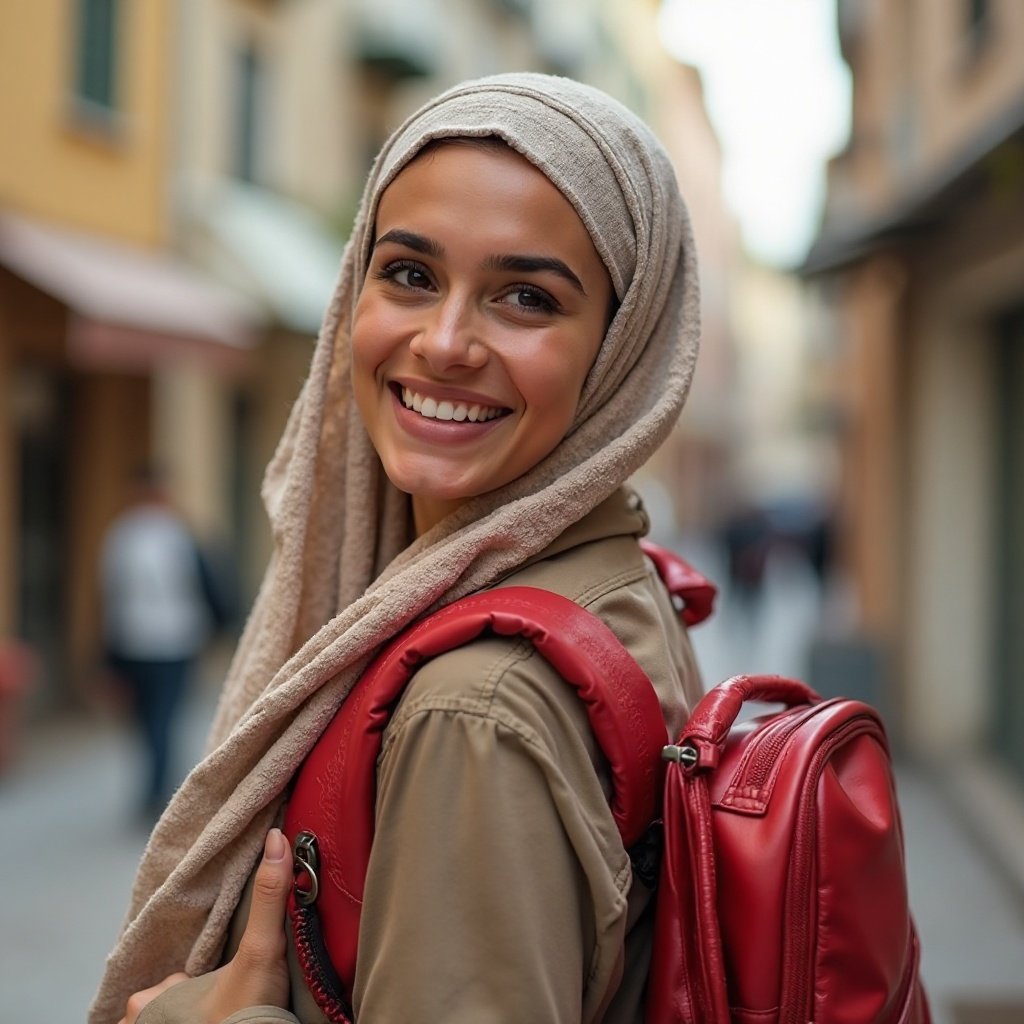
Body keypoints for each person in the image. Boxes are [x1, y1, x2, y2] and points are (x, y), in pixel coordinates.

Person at [92, 72, 704, 1024]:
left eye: (528, 297)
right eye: (411, 275)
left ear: (620, 348)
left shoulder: (474, 708)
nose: (446, 342)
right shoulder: (611, 576)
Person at [99, 467, 218, 820]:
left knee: (152, 718)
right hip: (167, 642)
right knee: (160, 717)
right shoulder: (174, 534)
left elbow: (111, 599)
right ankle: (158, 789)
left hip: (147, 641)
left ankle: (155, 789)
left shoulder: (124, 535)